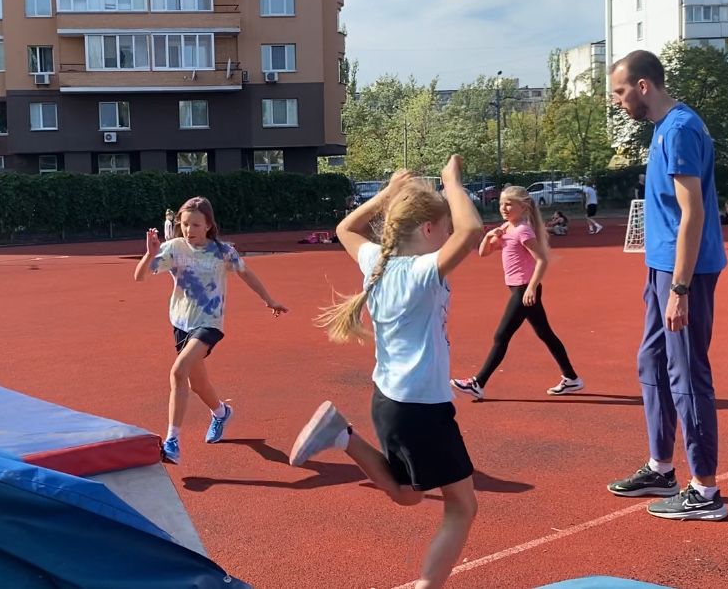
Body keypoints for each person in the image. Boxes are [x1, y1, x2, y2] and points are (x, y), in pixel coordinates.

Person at [288, 157, 483, 589]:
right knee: (462, 506)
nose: (448, 236)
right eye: (444, 229)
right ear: (428, 229)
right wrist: (451, 182)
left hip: (389, 401)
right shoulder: (420, 272)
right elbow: (471, 231)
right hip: (421, 408)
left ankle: (341, 435)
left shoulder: (378, 260)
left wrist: (385, 195)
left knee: (408, 495)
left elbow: (345, 228)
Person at [608, 50, 728, 521]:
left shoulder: (678, 129)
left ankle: (705, 490)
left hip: (684, 274)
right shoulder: (663, 128)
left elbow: (692, 212)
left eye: (620, 92)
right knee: (652, 360)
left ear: (643, 86)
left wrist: (680, 289)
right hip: (661, 267)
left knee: (687, 373)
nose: (618, 101)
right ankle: (661, 468)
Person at [134, 196, 287, 465]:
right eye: (185, 224)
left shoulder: (223, 252)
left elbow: (246, 274)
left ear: (208, 225)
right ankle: (221, 412)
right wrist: (150, 253)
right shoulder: (174, 248)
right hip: (181, 323)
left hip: (209, 323)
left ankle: (172, 442)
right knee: (197, 384)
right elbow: (140, 276)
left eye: (195, 224)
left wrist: (269, 299)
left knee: (178, 371)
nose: (189, 230)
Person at [451, 185, 584, 400]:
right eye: (501, 204)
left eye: (509, 204)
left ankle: (478, 383)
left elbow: (542, 259)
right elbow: (484, 253)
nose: (503, 208)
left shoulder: (523, 230)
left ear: (523, 207)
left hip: (524, 289)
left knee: (501, 335)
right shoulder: (507, 227)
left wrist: (531, 288)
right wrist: (489, 236)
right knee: (545, 334)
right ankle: (571, 378)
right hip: (519, 288)